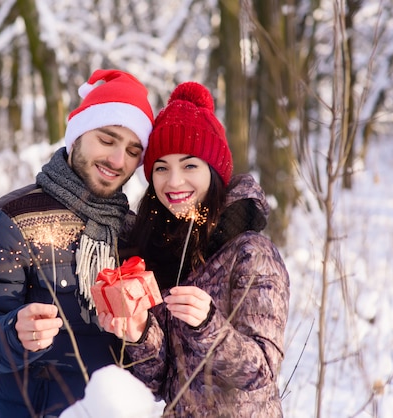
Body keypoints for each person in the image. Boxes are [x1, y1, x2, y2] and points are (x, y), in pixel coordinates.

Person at [0, 69, 155, 418]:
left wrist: (139, 334)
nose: (117, 160)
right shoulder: (8, 220)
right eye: (107, 140)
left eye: (132, 150)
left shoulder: (131, 233)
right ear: (77, 136)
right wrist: (13, 332)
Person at [98, 82, 290, 417]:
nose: (174, 182)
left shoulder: (250, 252)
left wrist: (208, 325)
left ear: (214, 172)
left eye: (189, 166)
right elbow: (160, 383)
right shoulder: (157, 247)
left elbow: (262, 372)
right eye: (161, 168)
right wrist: (140, 333)